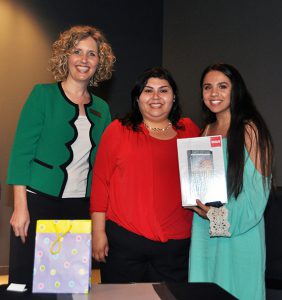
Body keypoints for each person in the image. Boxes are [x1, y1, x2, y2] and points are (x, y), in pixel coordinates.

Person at [7, 25, 115, 290]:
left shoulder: (102, 109)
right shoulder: (41, 95)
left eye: (92, 54)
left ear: (99, 62)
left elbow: (103, 165)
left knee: (67, 283)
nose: (84, 60)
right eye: (77, 51)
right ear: (65, 56)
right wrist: (21, 207)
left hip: (78, 207)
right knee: (25, 282)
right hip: (37, 202)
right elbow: (21, 153)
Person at [90, 67, 200, 283]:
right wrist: (98, 232)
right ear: (137, 97)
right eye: (148, 91)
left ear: (174, 96)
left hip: (176, 246)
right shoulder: (117, 130)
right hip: (124, 242)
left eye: (163, 90)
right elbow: (100, 183)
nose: (156, 97)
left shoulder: (190, 130)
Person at [188, 63, 274, 299]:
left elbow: (257, 197)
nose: (213, 93)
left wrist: (215, 216)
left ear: (236, 90)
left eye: (222, 86)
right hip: (204, 232)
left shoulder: (250, 130)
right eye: (207, 87)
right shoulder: (206, 130)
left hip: (240, 237)